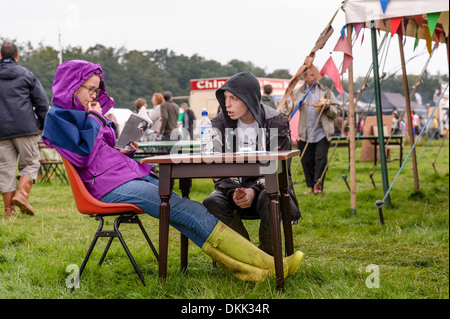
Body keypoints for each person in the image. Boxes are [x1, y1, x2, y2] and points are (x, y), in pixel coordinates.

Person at [41, 60, 304, 282]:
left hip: (122, 176)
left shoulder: (86, 113)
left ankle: (248, 268)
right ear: (72, 86)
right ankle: (267, 265)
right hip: (106, 187)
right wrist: (97, 119)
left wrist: (124, 149)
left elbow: (101, 152)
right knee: (186, 209)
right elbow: (83, 155)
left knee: (182, 210)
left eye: (97, 91)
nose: (94, 96)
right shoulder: (59, 116)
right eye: (89, 89)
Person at [202, 72, 301, 256]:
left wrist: (253, 190)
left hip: (266, 188)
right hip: (233, 190)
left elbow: (279, 168)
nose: (227, 104)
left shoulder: (276, 122)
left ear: (248, 98)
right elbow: (216, 167)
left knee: (271, 198)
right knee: (211, 202)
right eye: (225, 98)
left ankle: (270, 257)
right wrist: (234, 191)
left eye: (233, 98)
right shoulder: (220, 124)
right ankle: (247, 256)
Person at [0, 42, 49, 218]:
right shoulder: (26, 75)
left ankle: (8, 212)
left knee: (5, 169)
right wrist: (43, 126)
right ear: (17, 56)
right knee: (30, 163)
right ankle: (22, 195)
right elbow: (42, 103)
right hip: (25, 129)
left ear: (0, 56)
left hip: (1, 132)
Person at [290, 67, 340, 194]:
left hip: (322, 132)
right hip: (305, 133)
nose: (314, 77)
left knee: (321, 159)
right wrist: (297, 105)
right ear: (304, 77)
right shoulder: (297, 92)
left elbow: (336, 111)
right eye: (311, 75)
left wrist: (327, 108)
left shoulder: (326, 91)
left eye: (316, 75)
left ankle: (318, 185)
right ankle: (312, 186)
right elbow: (287, 109)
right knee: (307, 161)